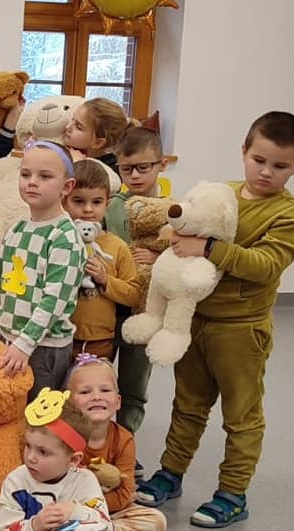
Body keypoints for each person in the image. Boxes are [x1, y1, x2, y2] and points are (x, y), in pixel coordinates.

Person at [137, 111, 294, 528]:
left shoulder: (287, 214)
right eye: (259, 160)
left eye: (281, 166)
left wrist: (208, 248)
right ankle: (171, 473)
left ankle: (233, 493)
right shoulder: (221, 193)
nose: (267, 172)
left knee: (242, 416)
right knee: (187, 405)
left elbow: (265, 265)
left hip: (241, 330)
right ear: (244, 152)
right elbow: (182, 225)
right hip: (194, 320)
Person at [0, 140, 84, 396]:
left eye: (45, 176)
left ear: (67, 187)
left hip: (44, 348)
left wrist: (24, 344)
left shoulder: (64, 237)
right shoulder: (17, 229)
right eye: (26, 174)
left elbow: (53, 301)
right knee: (10, 409)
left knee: (37, 416)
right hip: (10, 341)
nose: (32, 182)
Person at [101, 127, 168, 434]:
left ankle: (126, 439)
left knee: (134, 384)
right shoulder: (111, 205)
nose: (135, 176)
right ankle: (95, 440)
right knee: (95, 377)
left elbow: (184, 253)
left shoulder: (173, 210)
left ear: (161, 164)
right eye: (127, 169)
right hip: (109, 307)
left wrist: (158, 258)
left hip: (146, 312)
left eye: (144, 167)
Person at [67, 356, 166, 531]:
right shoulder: (66, 438)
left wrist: (93, 507)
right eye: (85, 392)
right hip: (70, 511)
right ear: (69, 403)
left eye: (105, 390)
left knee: (156, 519)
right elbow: (62, 490)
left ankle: (103, 528)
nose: (96, 397)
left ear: (118, 401)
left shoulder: (124, 439)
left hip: (107, 510)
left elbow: (125, 494)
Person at [0, 395, 111, 530]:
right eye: (28, 445)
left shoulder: (85, 481)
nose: (30, 457)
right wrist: (33, 525)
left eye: (43, 452)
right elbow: (4, 528)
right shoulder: (16, 481)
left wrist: (76, 512)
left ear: (73, 460)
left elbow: (105, 524)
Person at [64, 160, 139, 361]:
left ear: (108, 203)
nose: (88, 209)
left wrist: (105, 279)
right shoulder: (58, 240)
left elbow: (134, 294)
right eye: (79, 201)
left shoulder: (117, 246)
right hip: (58, 337)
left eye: (96, 202)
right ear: (64, 200)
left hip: (100, 340)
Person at [64, 98, 128, 170]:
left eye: (78, 127)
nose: (67, 127)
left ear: (98, 143)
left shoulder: (109, 169)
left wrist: (78, 164)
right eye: (72, 119)